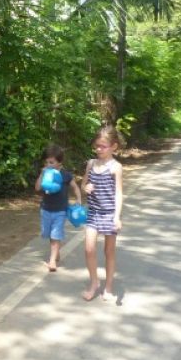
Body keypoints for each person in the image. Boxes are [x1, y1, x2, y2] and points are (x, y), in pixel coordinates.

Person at [80, 125, 124, 301]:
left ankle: (109, 288)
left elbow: (119, 193)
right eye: (96, 146)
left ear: (113, 146)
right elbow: (83, 185)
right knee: (89, 249)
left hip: (109, 213)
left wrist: (117, 217)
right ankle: (94, 282)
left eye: (102, 146)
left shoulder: (116, 167)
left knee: (109, 251)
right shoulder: (91, 164)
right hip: (93, 212)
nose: (98, 149)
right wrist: (86, 187)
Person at [35, 144, 82, 272]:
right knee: (50, 233)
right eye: (47, 162)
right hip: (46, 209)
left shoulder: (65, 175)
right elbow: (38, 188)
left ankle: (52, 261)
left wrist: (78, 199)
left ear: (59, 163)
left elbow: (75, 187)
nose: (48, 164)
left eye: (51, 162)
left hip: (60, 211)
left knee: (56, 234)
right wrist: (41, 174)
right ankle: (55, 253)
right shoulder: (46, 174)